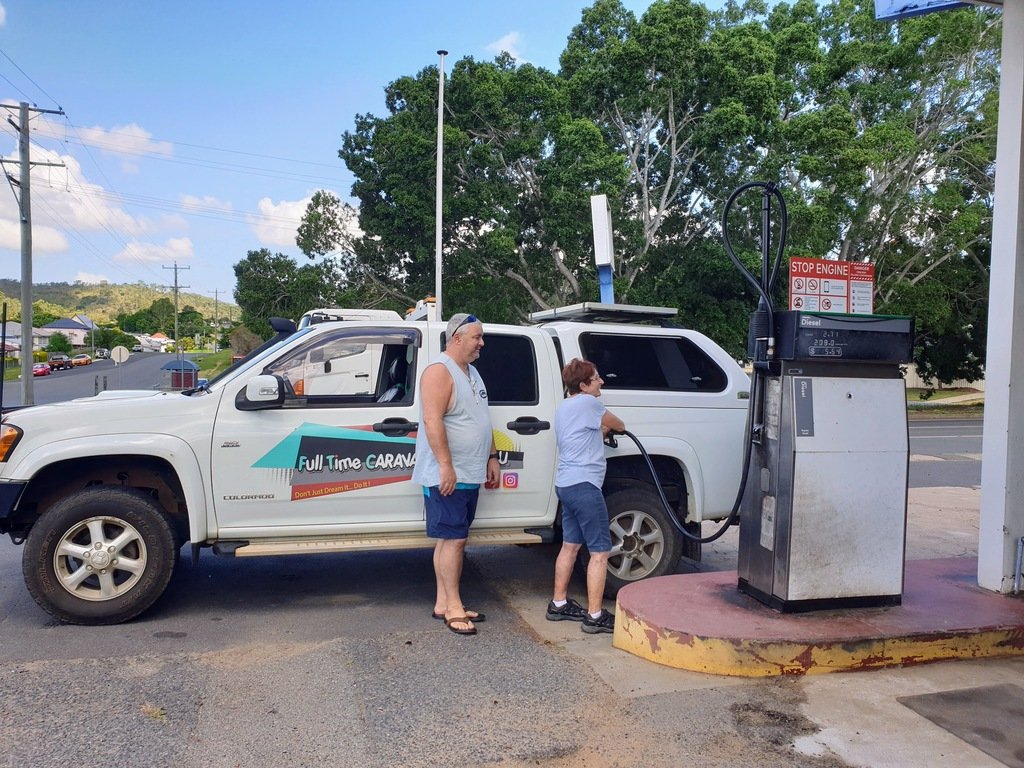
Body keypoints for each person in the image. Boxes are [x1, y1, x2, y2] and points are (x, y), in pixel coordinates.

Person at [412, 312, 499, 636]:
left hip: (470, 471)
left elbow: (482, 418)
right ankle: (454, 607)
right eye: (477, 337)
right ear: (457, 338)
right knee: (455, 540)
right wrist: (446, 466)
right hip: (447, 473)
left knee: (450, 540)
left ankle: (442, 602)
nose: (482, 343)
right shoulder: (439, 371)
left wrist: (491, 457)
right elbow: (433, 421)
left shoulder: (472, 372)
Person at [545, 358, 625, 635]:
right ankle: (594, 615)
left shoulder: (566, 407)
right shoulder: (590, 404)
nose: (601, 381)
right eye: (596, 378)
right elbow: (617, 423)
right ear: (583, 385)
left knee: (570, 546)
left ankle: (558, 603)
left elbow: (586, 436)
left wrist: (602, 432)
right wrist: (617, 428)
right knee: (600, 552)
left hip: (566, 485)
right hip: (585, 487)